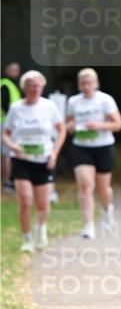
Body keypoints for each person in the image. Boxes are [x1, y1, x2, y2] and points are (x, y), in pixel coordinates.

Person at [2, 70, 66, 252]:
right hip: (21, 159)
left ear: (42, 87)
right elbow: (5, 134)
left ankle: (40, 228)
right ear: (24, 88)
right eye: (31, 85)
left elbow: (61, 130)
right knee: (25, 200)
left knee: (43, 204)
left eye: (38, 85)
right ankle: (27, 238)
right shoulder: (16, 108)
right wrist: (13, 146)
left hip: (44, 159)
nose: (34, 88)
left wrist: (54, 153)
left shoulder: (49, 106)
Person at [66, 68, 121, 238]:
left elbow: (118, 124)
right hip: (81, 147)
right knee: (85, 185)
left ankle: (107, 210)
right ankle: (88, 225)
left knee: (102, 188)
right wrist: (72, 127)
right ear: (78, 85)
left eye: (89, 82)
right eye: (82, 83)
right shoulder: (73, 102)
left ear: (96, 83)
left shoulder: (105, 100)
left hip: (103, 146)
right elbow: (68, 124)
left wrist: (98, 126)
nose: (86, 86)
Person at [1, 62, 21, 190]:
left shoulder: (12, 85)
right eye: (12, 70)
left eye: (16, 70)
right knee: (7, 154)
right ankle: (7, 181)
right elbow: (5, 105)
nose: (15, 73)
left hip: (8, 122)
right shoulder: (5, 84)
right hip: (6, 123)